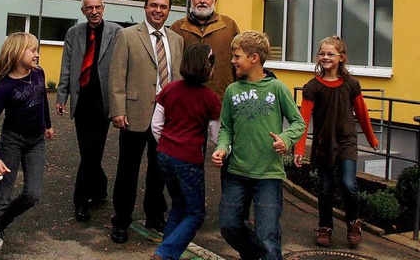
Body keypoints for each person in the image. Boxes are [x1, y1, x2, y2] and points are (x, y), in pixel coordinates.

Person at [212, 31, 305, 260]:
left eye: (237, 56)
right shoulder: (232, 91)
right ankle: (256, 255)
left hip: (268, 175)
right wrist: (221, 147)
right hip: (236, 173)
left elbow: (298, 122)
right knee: (229, 226)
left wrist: (286, 139)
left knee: (268, 235)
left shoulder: (277, 88)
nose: (233, 61)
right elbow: (226, 128)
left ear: (254, 58)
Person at [108, 0, 184, 244]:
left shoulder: (176, 40)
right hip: (134, 115)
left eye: (163, 6)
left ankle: (155, 216)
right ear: (145, 8)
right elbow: (117, 76)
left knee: (159, 171)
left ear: (169, 10)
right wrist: (118, 110)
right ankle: (121, 220)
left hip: (167, 118)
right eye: (153, 5)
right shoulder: (127, 35)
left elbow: (178, 79)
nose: (158, 10)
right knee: (127, 171)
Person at [0, 32, 54, 260]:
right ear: (18, 52)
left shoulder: (39, 74)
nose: (37, 54)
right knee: (2, 197)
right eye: (32, 50)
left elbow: (42, 100)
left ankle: (2, 225)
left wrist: (47, 125)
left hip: (36, 141)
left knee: (33, 194)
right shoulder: (5, 87)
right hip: (12, 142)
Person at [294, 36, 379, 249]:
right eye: (322, 53)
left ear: (341, 57)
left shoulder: (351, 84)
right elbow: (303, 119)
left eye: (330, 54)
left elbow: (362, 112)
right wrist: (298, 148)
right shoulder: (312, 87)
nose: (325, 57)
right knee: (324, 189)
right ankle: (325, 227)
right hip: (324, 145)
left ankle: (353, 223)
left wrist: (372, 138)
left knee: (349, 185)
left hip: (346, 142)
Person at [150, 44, 222, 260]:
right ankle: (165, 253)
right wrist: (222, 150)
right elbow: (215, 134)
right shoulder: (210, 98)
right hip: (188, 160)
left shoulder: (170, 89)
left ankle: (165, 252)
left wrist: (166, 144)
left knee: (178, 206)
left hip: (164, 155)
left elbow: (156, 125)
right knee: (196, 213)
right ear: (205, 66)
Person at [55, 0, 122, 222]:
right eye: (89, 8)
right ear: (83, 11)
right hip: (81, 100)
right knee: (88, 153)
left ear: (104, 8)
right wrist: (61, 96)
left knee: (93, 153)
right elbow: (66, 65)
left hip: (103, 102)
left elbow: (121, 67)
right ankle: (100, 188)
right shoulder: (74, 33)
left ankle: (80, 201)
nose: (94, 11)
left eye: (98, 7)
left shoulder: (116, 32)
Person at [170, 0, 239, 100]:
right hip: (186, 99)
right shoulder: (177, 28)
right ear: (191, 0)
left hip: (221, 97)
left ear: (214, 1)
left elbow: (240, 59)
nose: (202, 1)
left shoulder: (229, 26)